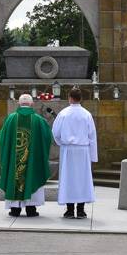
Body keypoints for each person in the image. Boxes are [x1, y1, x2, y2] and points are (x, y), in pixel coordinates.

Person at [0, 94, 52, 218]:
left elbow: (2, 138)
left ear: (19, 103)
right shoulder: (39, 120)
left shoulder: (11, 119)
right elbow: (47, 138)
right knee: (31, 174)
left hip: (14, 161)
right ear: (32, 104)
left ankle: (15, 209)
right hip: (32, 160)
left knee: (15, 174)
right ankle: (31, 209)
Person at [52, 87, 97, 219]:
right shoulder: (86, 114)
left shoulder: (63, 113)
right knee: (82, 180)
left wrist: (62, 143)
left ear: (69, 98)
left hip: (68, 150)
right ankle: (81, 210)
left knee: (69, 179)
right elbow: (92, 135)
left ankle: (70, 210)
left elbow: (55, 132)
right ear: (80, 98)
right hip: (83, 150)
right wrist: (93, 155)